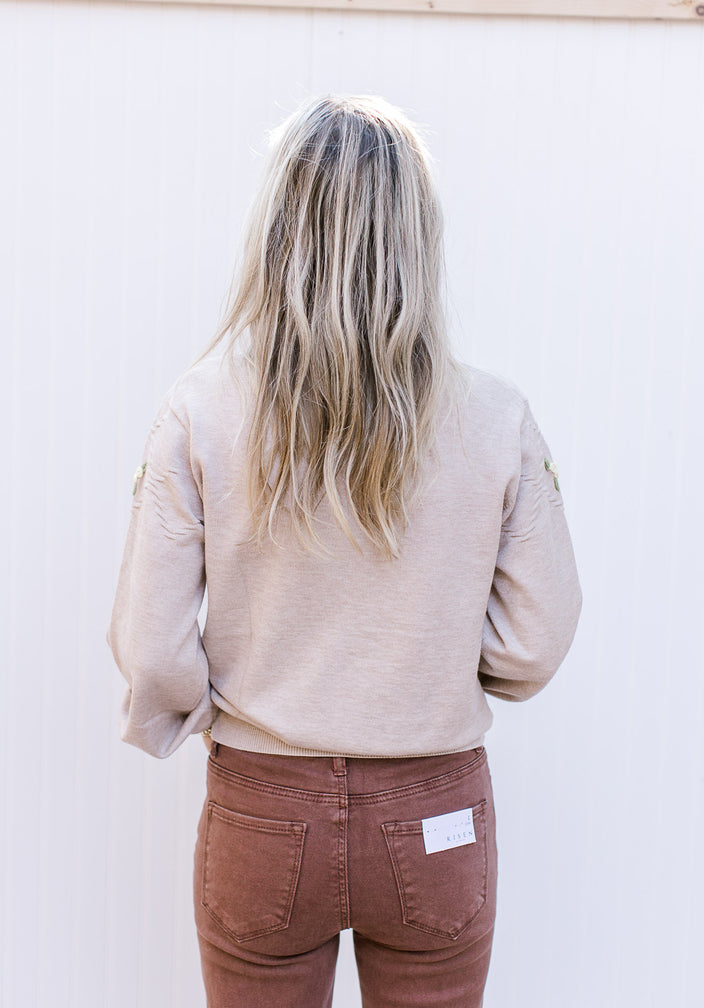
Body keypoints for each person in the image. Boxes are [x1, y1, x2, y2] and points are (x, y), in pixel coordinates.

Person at [108, 94, 582, 1008]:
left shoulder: (200, 407)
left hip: (262, 811)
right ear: (417, 238)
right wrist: (419, 671)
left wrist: (220, 711)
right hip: (434, 811)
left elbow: (151, 646)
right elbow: (536, 640)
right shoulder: (495, 416)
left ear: (279, 229)